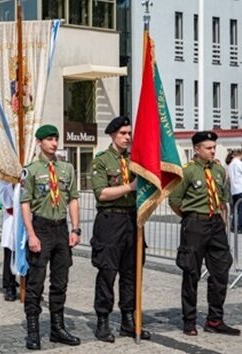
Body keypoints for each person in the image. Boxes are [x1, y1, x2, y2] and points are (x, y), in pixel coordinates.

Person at [169, 131, 240, 337]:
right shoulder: (188, 171)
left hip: (216, 223)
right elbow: (174, 201)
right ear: (197, 149)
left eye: (214, 147)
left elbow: (223, 199)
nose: (213, 151)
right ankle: (189, 320)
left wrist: (222, 222)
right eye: (208, 148)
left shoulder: (218, 169)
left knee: (220, 271)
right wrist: (191, 217)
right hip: (195, 224)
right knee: (191, 272)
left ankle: (215, 319)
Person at [20, 124, 81, 350]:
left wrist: (75, 229)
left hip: (61, 229)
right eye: (49, 139)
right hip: (41, 228)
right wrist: (31, 235)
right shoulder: (31, 170)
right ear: (39, 142)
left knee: (60, 282)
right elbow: (25, 204)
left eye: (56, 138)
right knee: (35, 283)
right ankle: (33, 330)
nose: (54, 143)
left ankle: (57, 328)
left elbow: (73, 198)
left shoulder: (66, 169)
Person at [90, 116, 150, 342]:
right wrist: (130, 187)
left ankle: (128, 320)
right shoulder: (102, 160)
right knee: (107, 272)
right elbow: (102, 193)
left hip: (132, 221)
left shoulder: (135, 161)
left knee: (131, 272)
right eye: (123, 133)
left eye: (129, 133)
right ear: (113, 135)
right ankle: (103, 321)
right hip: (110, 221)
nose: (127, 137)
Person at [0, 179, 18, 301]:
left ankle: (30, 285)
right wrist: (13, 186)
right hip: (12, 219)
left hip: (29, 218)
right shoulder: (4, 177)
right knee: (10, 252)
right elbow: (4, 200)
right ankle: (9, 285)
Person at [226, 149, 242, 232]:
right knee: (241, 209)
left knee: (235, 209)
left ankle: (234, 226)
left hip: (234, 190)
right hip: (240, 188)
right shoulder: (238, 163)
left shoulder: (230, 164)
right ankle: (240, 227)